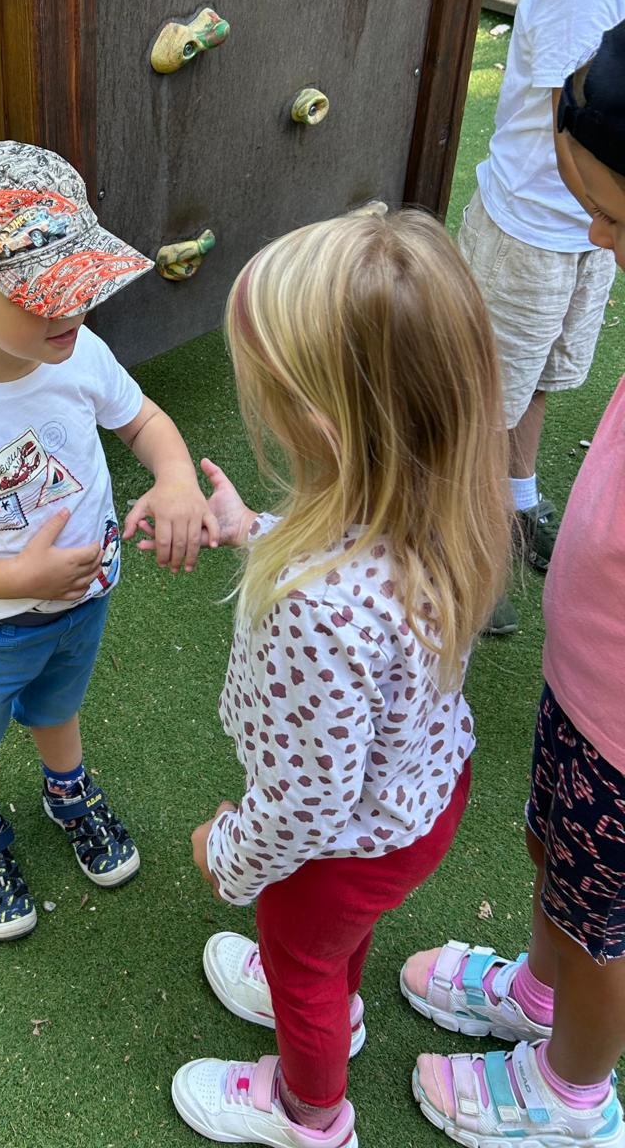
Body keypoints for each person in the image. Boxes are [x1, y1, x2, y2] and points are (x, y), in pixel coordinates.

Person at [162, 208, 510, 1148]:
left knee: (302, 963)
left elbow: (306, 806)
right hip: (422, 798)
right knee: (328, 944)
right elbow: (357, 562)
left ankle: (310, 1114)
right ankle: (328, 995)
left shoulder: (312, 610)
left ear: (319, 420)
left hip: (341, 846)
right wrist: (254, 530)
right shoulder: (444, 502)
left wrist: (228, 856)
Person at [0, 141, 218, 941]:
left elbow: (142, 419)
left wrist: (175, 477)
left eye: (80, 283)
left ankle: (67, 789)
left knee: (60, 705)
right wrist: (17, 579)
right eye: (40, 294)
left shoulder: (78, 351)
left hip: (82, 598)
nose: (70, 309)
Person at [402, 21, 625, 1148]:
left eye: (616, 218)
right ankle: (540, 996)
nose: (595, 235)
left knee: (604, 927)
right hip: (588, 685)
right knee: (554, 856)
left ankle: (573, 1091)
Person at [458, 0, 625, 635]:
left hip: (588, 235)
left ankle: (516, 502)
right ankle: (468, 544)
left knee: (541, 381)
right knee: (487, 398)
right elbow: (572, 134)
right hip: (529, 233)